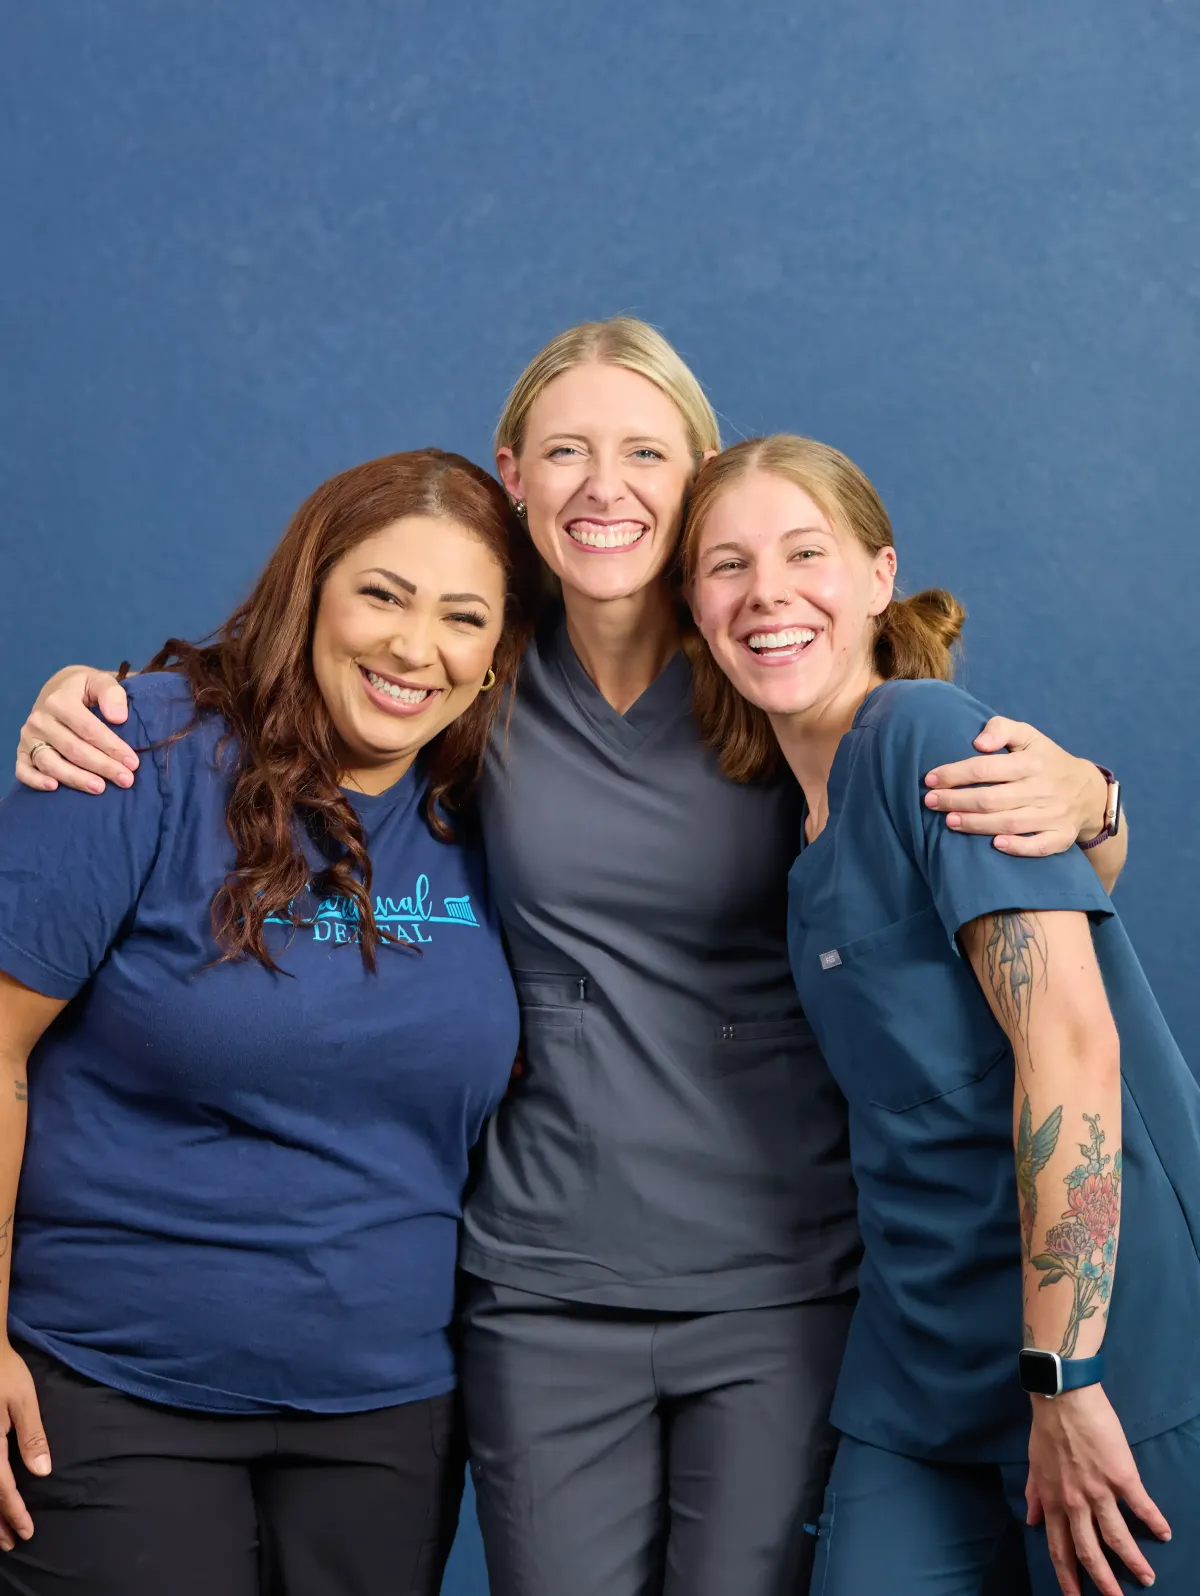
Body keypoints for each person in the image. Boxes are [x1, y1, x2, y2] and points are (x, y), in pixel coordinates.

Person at [12, 321, 1125, 1596]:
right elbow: (288, 700)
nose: (607, 486)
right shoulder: (473, 670)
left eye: (646, 451)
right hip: (537, 1279)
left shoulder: (770, 669)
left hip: (783, 1276)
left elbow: (982, 861)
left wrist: (1094, 796)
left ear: (697, 475)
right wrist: (102, 703)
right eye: (568, 451)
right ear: (514, 477)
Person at [0, 449, 540, 1596]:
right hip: (108, 1391)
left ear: (498, 655)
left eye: (462, 617)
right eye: (382, 595)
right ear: (311, 591)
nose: (413, 647)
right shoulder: (133, 752)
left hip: (389, 1412)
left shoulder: (502, 814)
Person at [683, 433, 1200, 1596]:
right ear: (694, 607)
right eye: (726, 565)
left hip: (1112, 1347)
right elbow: (1078, 885)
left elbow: (1072, 1042)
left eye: (803, 551)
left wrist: (1066, 1376)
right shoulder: (791, 822)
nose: (766, 591)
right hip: (918, 1358)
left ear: (878, 577)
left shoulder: (922, 738)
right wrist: (1103, 807)